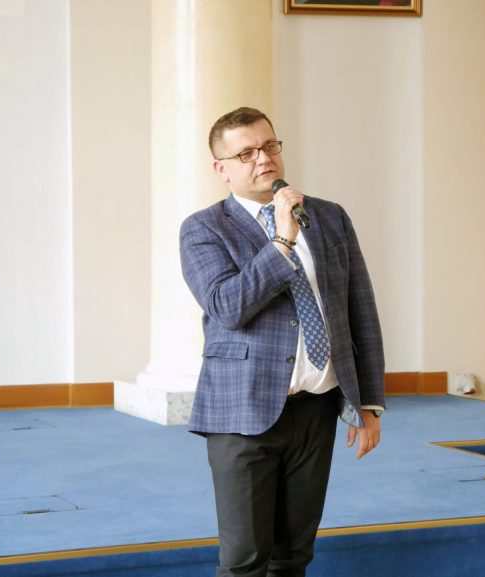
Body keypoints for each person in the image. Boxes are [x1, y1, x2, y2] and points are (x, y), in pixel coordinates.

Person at [179, 106, 385, 577]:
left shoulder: (329, 216)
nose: (263, 158)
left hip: (316, 408)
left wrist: (368, 403)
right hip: (242, 411)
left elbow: (360, 310)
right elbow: (228, 306)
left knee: (293, 556)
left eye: (269, 145)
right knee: (244, 561)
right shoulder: (203, 228)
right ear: (221, 168)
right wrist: (282, 242)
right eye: (246, 153)